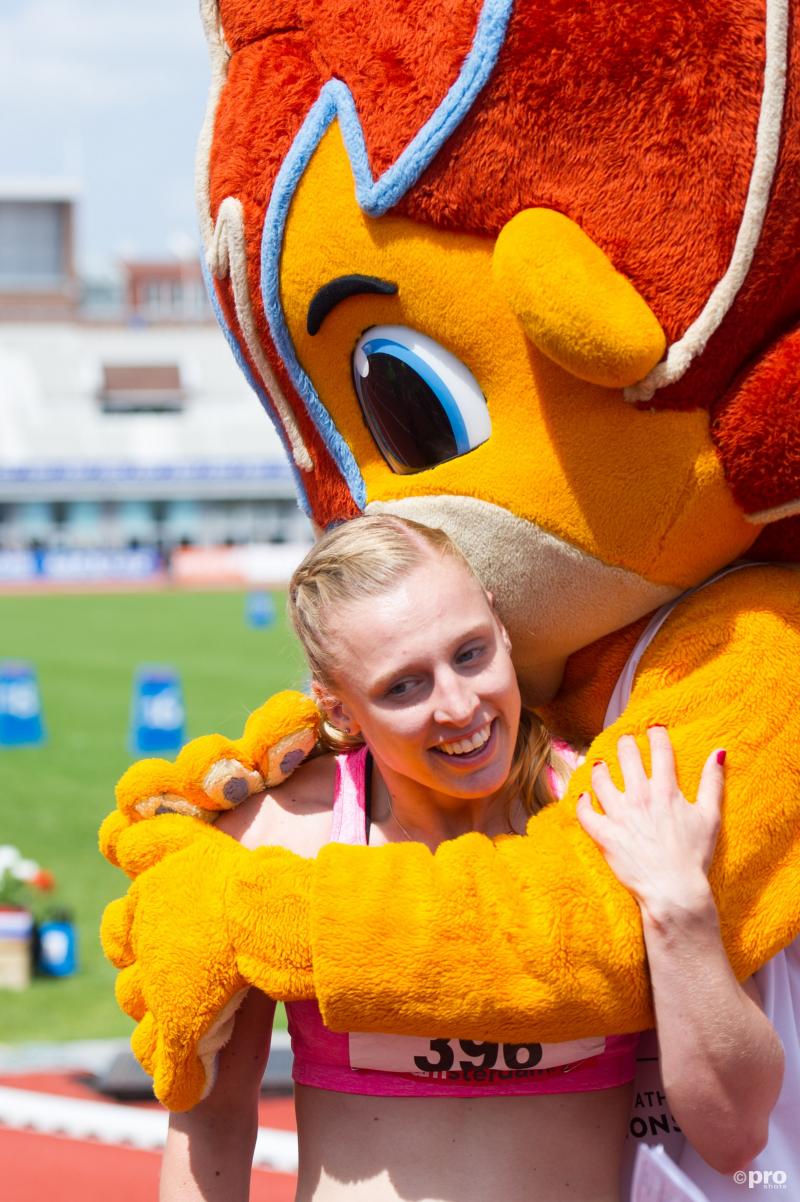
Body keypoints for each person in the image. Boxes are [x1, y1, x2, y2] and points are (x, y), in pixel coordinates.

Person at [160, 515, 783, 1202]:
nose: (459, 707)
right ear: (337, 704)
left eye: (470, 653)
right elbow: (212, 1117)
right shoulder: (277, 837)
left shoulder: (615, 812)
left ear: (502, 627)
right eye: (404, 687)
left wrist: (680, 910)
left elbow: (736, 1133)